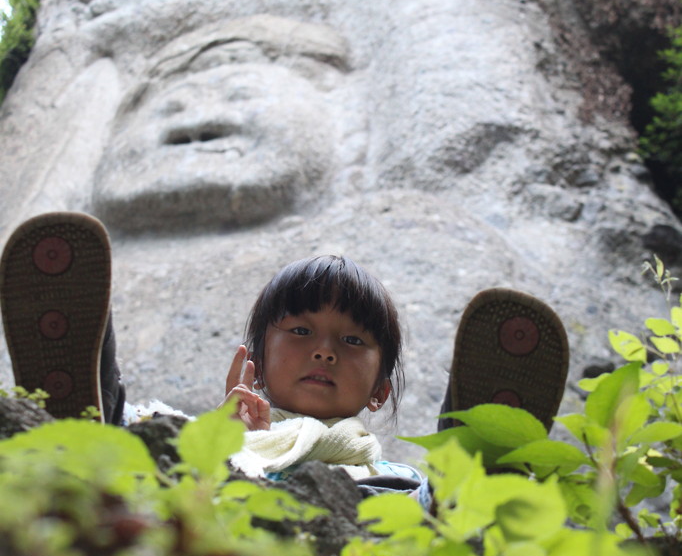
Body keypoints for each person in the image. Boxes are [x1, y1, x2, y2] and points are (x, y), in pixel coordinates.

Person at [0, 212, 569, 507]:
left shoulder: (391, 477)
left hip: (372, 524)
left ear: (380, 392)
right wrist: (218, 441)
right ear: (257, 363)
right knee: (153, 435)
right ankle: (85, 408)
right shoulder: (216, 434)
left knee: (436, 503)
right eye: (300, 330)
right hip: (216, 516)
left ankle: (474, 468)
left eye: (352, 342)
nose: (324, 349)